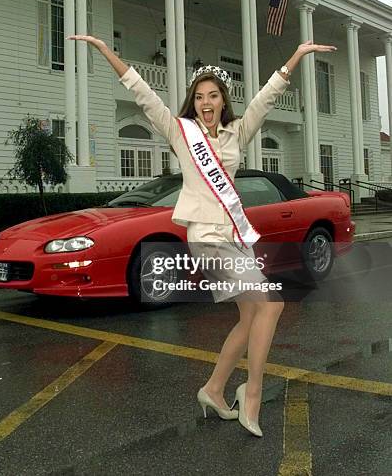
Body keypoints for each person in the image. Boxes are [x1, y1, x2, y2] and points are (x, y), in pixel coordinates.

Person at [67, 33, 337, 436]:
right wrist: (107, 51)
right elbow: (143, 94)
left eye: (212, 96)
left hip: (233, 237)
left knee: (250, 319)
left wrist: (295, 56)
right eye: (199, 98)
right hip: (207, 239)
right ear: (193, 104)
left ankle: (213, 389)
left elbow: (265, 98)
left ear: (222, 101)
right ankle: (253, 392)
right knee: (273, 303)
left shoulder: (236, 134)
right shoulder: (180, 133)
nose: (206, 103)